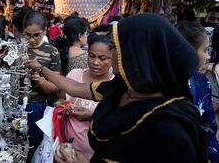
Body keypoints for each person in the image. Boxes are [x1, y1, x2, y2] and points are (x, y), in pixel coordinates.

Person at [26, 14, 208, 163]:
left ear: (135, 54)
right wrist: (41, 68)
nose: (110, 54)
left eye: (114, 47)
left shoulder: (171, 127)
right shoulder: (122, 88)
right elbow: (73, 87)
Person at [62, 35, 114, 159]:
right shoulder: (75, 75)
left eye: (103, 58)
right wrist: (61, 106)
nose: (96, 62)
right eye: (91, 56)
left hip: (98, 154)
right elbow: (62, 99)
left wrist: (92, 115)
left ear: (113, 58)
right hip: (69, 149)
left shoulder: (115, 85)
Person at [176, 21, 219, 163]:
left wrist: (210, 155)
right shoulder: (164, 80)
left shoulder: (201, 81)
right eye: (205, 50)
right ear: (188, 50)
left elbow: (209, 125)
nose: (207, 57)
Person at [22, 10, 61, 162]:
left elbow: (55, 87)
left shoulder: (52, 52)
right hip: (13, 104)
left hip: (36, 105)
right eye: (27, 35)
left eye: (36, 35)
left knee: (33, 144)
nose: (31, 39)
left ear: (44, 31)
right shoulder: (17, 49)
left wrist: (40, 80)